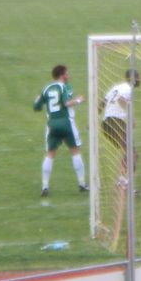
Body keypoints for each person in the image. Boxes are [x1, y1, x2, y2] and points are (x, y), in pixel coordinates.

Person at [34, 64, 88, 197]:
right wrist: (78, 100)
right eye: (67, 73)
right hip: (66, 122)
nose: (68, 75)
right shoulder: (63, 87)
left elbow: (36, 107)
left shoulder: (46, 88)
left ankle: (44, 186)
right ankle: (82, 184)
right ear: (62, 75)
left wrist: (37, 100)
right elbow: (66, 103)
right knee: (75, 151)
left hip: (52, 124)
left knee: (49, 154)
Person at [101, 69, 140, 185]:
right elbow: (121, 100)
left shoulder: (116, 87)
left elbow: (102, 103)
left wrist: (91, 121)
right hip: (115, 122)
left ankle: (123, 180)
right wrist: (130, 116)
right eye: (138, 77)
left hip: (106, 124)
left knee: (128, 152)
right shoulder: (128, 88)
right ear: (133, 79)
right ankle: (124, 182)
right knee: (132, 153)